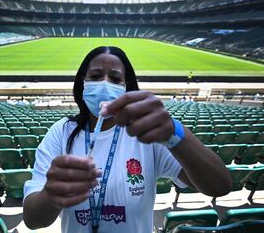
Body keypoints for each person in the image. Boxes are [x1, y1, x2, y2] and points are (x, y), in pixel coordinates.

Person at [23, 46, 231, 233]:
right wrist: (50, 195)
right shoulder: (62, 132)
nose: (104, 84)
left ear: (127, 87)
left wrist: (174, 132)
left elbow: (220, 186)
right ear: (82, 83)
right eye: (95, 76)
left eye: (115, 78)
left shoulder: (146, 134)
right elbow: (33, 220)